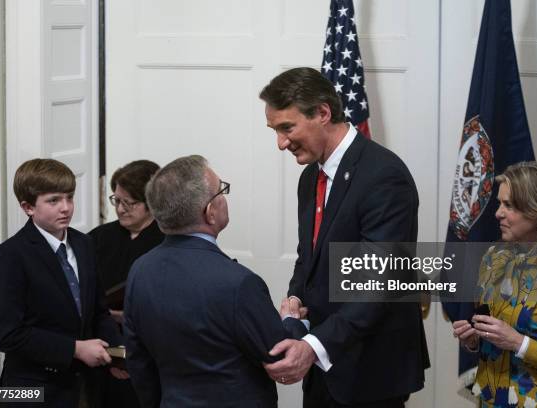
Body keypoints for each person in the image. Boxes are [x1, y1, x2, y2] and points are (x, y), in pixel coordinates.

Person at [259, 67, 430, 407]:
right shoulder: (311, 177)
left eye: (286, 128)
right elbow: (309, 256)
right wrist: (295, 301)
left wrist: (313, 346)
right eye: (275, 130)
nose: (280, 143)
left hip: (370, 371)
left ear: (323, 113)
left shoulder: (383, 175)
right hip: (325, 365)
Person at [123, 155, 308, 408]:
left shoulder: (140, 270)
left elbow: (138, 361)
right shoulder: (238, 283)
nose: (224, 197)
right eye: (222, 190)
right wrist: (293, 322)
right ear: (210, 212)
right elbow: (279, 354)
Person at [0, 158, 123, 407]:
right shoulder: (11, 254)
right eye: (54, 200)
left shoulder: (84, 244)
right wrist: (74, 348)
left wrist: (117, 355)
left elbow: (98, 312)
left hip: (81, 387)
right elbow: (9, 335)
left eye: (69, 197)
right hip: (31, 389)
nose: (66, 208)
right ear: (28, 207)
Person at [452, 161, 537, 407]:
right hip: (488, 399)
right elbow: (491, 332)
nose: (498, 212)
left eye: (509, 205)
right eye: (500, 203)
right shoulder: (492, 258)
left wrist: (520, 343)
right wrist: (473, 339)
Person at [89, 160, 164, 407]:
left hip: (150, 355)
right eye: (116, 200)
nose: (120, 209)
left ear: (151, 203)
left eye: (129, 203)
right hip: (101, 348)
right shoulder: (99, 237)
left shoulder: (167, 241)